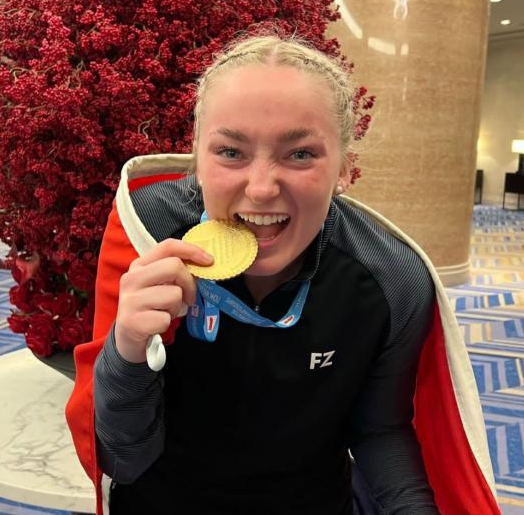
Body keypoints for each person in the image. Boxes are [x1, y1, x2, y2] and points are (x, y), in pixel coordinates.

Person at [66, 34, 500, 515]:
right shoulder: (147, 231)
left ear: (345, 168)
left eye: (300, 154)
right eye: (231, 152)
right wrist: (127, 349)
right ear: (197, 157)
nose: (261, 187)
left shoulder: (391, 278)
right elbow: (122, 459)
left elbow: (379, 430)